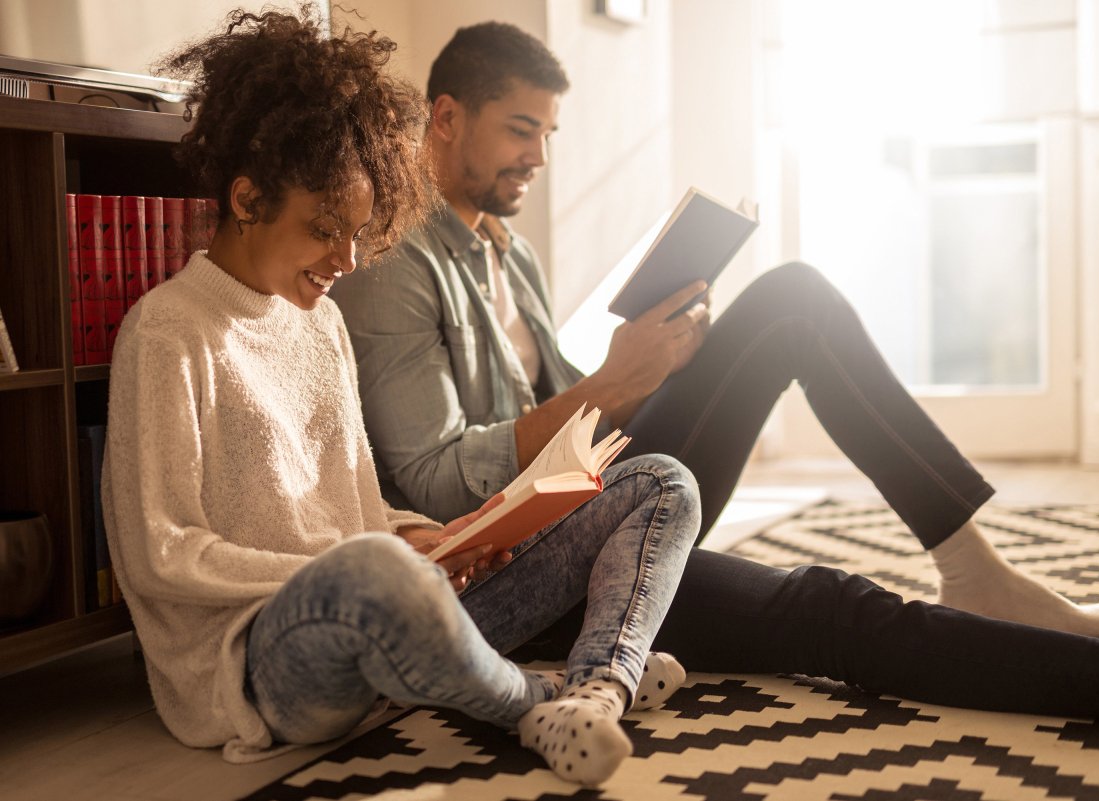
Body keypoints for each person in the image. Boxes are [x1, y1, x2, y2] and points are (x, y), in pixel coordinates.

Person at [329, 19, 1099, 732]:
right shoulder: (395, 266)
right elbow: (436, 482)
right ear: (444, 118)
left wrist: (657, 362)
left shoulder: (504, 250)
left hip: (605, 493)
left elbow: (572, 410)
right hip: (534, 569)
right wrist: (613, 385)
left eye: (549, 134)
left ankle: (970, 560)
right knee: (832, 609)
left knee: (791, 302)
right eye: (522, 130)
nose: (540, 159)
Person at [101, 8, 701, 786]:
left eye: (358, 233)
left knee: (659, 482)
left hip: (397, 610)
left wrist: (428, 536)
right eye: (326, 230)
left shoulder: (320, 327)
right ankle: (536, 699)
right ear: (247, 200)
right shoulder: (168, 333)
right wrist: (368, 557)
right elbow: (163, 554)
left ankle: (602, 685)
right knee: (375, 571)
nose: (347, 261)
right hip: (267, 660)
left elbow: (356, 509)